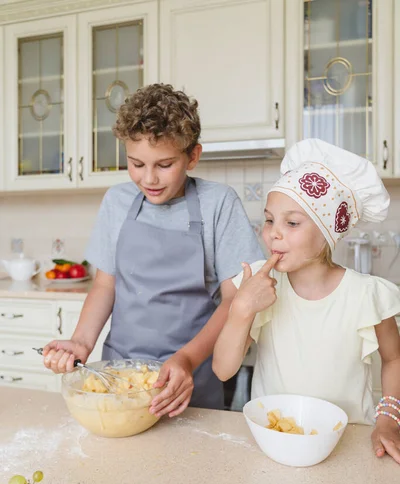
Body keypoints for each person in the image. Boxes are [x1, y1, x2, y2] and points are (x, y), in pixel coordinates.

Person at [42, 83, 264, 417]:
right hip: (119, 379)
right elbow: (105, 285)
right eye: (136, 164)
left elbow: (234, 299)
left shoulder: (218, 203)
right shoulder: (117, 203)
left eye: (164, 164)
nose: (149, 179)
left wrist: (187, 360)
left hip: (189, 379)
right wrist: (81, 342)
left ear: (193, 156)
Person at [213, 139, 400, 463]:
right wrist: (241, 309)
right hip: (274, 443)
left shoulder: (366, 295)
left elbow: (394, 359)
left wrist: (388, 417)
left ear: (328, 232)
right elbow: (223, 370)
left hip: (349, 445)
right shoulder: (260, 285)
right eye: (270, 219)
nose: (273, 232)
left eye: (292, 222)